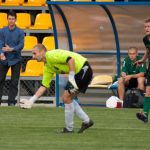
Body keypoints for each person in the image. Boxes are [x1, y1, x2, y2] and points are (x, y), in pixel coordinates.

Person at [20, 44, 94, 133]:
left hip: (83, 69)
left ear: (42, 52)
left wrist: (71, 78)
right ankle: (86, 121)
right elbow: (44, 86)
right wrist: (31, 101)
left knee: (66, 98)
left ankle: (70, 129)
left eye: (35, 53)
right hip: (79, 72)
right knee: (67, 98)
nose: (33, 57)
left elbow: (71, 60)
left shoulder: (51, 55)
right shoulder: (47, 67)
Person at [0, 10, 24, 106]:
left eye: (13, 19)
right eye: (9, 19)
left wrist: (11, 49)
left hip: (16, 59)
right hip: (4, 59)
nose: (11, 20)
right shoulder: (2, 31)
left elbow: (21, 45)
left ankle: (11, 103)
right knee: (0, 80)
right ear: (7, 19)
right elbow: (0, 43)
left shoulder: (20, 32)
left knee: (14, 82)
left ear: (15, 20)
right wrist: (1, 53)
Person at [136, 19, 150, 123]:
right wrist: (142, 60)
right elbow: (148, 51)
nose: (147, 29)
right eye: (145, 27)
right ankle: (145, 115)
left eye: (149, 26)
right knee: (148, 91)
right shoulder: (145, 39)